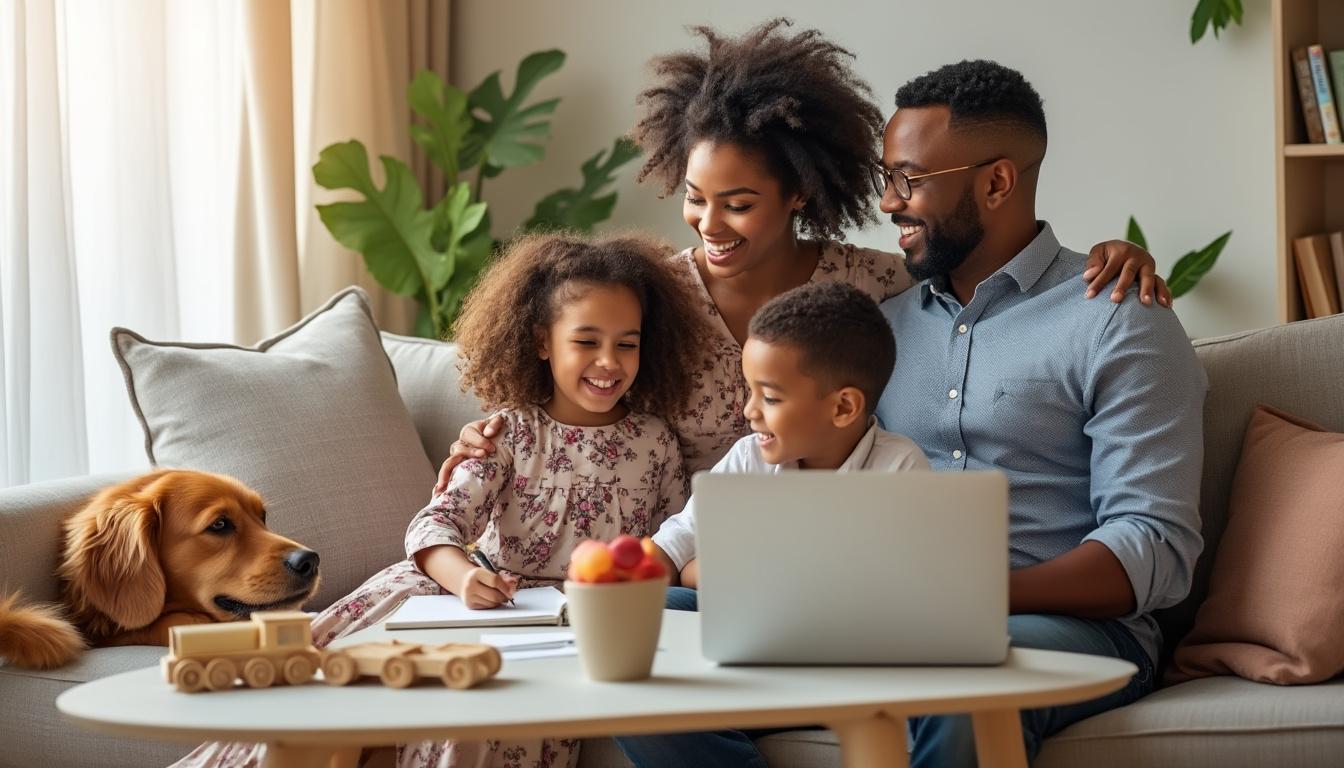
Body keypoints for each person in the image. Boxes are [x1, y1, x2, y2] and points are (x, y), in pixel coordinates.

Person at [435, 18, 1172, 491]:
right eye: (695, 197)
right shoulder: (651, 293)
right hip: (678, 553)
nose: (708, 225)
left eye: (739, 202)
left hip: (828, 554)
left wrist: (1114, 255)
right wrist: (498, 432)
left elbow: (987, 275)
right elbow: (574, 370)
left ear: (797, 194)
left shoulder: (874, 288)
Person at [172, 232, 708, 768]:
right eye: (586, 342)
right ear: (543, 341)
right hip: (476, 597)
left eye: (627, 343)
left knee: (484, 713)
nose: (608, 362)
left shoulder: (655, 442)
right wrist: (464, 579)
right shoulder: (509, 434)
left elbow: (667, 548)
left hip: (573, 625)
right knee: (313, 693)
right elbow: (435, 524)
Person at [873, 59, 1207, 766]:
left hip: (1073, 633)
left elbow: (1153, 549)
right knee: (657, 629)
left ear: (996, 182)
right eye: (885, 178)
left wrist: (969, 598)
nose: (887, 204)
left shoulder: (1117, 318)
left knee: (956, 677)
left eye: (909, 181)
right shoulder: (882, 325)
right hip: (894, 619)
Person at [648, 281, 928, 597]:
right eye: (751, 391)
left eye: (769, 398)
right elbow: (683, 537)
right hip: (746, 609)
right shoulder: (748, 456)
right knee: (669, 600)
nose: (748, 411)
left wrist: (719, 571)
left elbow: (896, 583)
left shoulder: (900, 467)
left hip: (846, 628)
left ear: (843, 407)